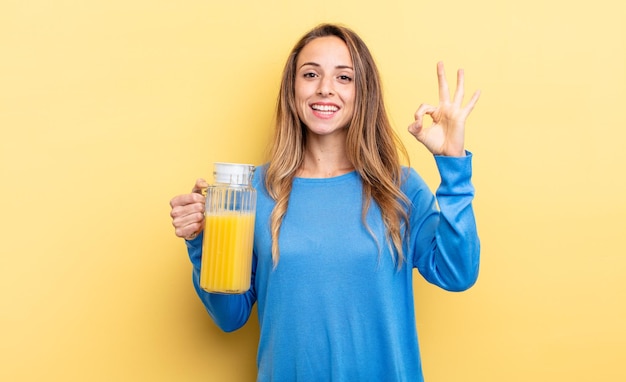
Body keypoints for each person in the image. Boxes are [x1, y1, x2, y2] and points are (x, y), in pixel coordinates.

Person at [169, 23, 481, 382]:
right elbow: (229, 316)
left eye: (344, 77)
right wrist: (200, 242)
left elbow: (459, 273)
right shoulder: (254, 190)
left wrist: (454, 165)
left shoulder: (400, 187)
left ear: (363, 92)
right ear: (292, 89)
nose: (325, 89)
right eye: (311, 74)